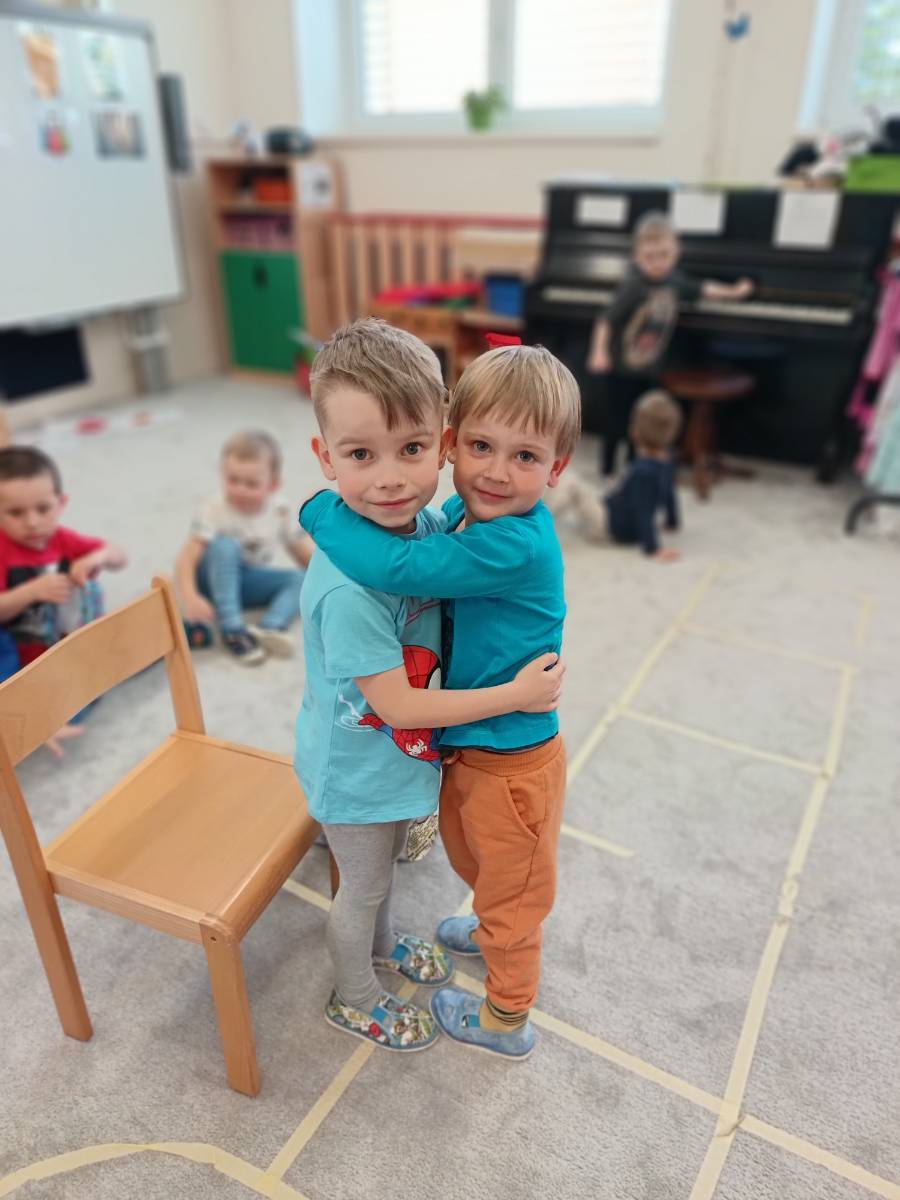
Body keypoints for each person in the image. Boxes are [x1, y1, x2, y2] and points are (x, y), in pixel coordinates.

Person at [301, 339, 580, 1060]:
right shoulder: (449, 524)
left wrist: (322, 510)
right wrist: (323, 511)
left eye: (525, 456)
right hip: (380, 759)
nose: (495, 472)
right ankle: (356, 993)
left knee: (510, 891)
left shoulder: (502, 539)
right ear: (457, 444)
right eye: (481, 446)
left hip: (503, 753)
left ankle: (506, 1018)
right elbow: (389, 571)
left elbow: (400, 561)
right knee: (380, 883)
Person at [587, 210, 754, 476]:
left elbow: (703, 288)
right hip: (621, 368)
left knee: (644, 420)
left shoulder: (675, 281)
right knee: (617, 418)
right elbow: (605, 319)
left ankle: (635, 466)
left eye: (664, 255)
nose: (657, 263)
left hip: (651, 369)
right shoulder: (633, 285)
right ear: (636, 256)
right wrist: (599, 352)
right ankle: (607, 466)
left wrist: (734, 292)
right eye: (649, 257)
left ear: (676, 253)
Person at [0, 446, 127, 756]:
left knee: (96, 680)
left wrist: (97, 557)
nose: (32, 522)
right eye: (16, 513)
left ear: (61, 503)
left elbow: (119, 556)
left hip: (60, 652)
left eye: (43, 509)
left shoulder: (62, 539)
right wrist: (30, 592)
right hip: (14, 660)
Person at [175, 430, 312, 665]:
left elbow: (303, 552)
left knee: (304, 579)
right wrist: (189, 596)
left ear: (273, 485)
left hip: (245, 582)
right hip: (209, 581)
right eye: (232, 480)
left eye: (251, 484)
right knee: (225, 546)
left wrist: (332, 580)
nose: (240, 489)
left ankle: (270, 626)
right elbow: (187, 558)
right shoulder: (214, 508)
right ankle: (232, 629)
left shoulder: (280, 509)